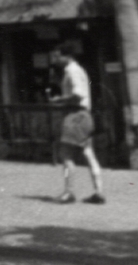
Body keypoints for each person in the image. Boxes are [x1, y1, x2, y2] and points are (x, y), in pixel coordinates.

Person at [49, 41, 105, 204]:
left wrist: (60, 99)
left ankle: (69, 192)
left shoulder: (71, 71)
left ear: (67, 56)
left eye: (58, 56)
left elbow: (78, 95)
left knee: (66, 154)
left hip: (75, 115)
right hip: (85, 115)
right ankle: (99, 192)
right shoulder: (80, 70)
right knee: (88, 154)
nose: (56, 59)